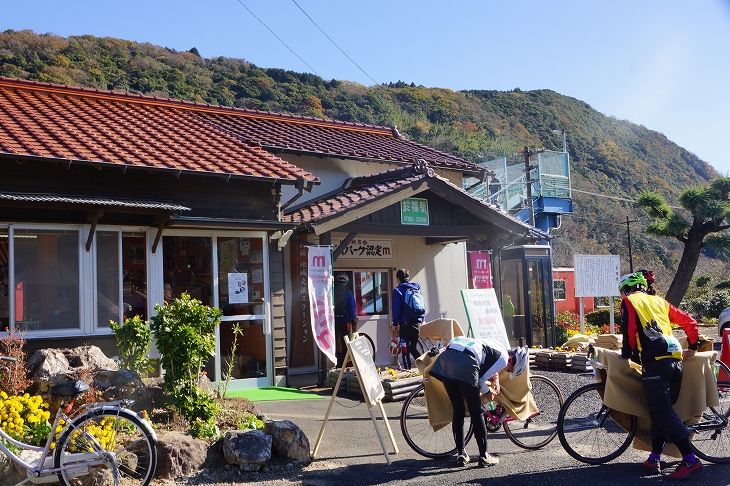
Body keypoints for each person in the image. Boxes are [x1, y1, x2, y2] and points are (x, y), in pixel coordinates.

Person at [618, 272, 703, 479]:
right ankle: (654, 457)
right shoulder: (660, 302)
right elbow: (690, 322)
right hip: (675, 362)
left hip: (656, 364)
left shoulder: (630, 301)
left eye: (621, 292)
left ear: (627, 289)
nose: (621, 296)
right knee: (659, 412)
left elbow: (629, 332)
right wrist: (692, 346)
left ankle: (691, 460)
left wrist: (626, 356)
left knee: (662, 411)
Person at [429, 336, 529, 467]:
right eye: (510, 370)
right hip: (466, 364)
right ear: (513, 363)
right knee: (476, 411)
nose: (507, 370)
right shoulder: (504, 359)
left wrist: (495, 378)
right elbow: (481, 380)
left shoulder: (495, 345)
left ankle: (461, 454)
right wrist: (488, 393)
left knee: (458, 410)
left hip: (447, 360)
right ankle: (484, 456)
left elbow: (486, 359)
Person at [391, 268, 424, 369]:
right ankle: (425, 368)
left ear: (398, 279)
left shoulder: (398, 291)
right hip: (416, 322)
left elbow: (396, 309)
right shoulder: (416, 289)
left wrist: (394, 324)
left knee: (405, 350)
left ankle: (407, 371)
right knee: (413, 348)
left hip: (405, 324)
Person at [334, 272, 358, 368]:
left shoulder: (333, 292)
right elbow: (352, 308)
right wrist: (354, 317)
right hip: (345, 320)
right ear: (346, 282)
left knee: (335, 341)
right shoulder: (348, 293)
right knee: (346, 341)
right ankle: (345, 363)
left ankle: (336, 362)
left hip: (335, 320)